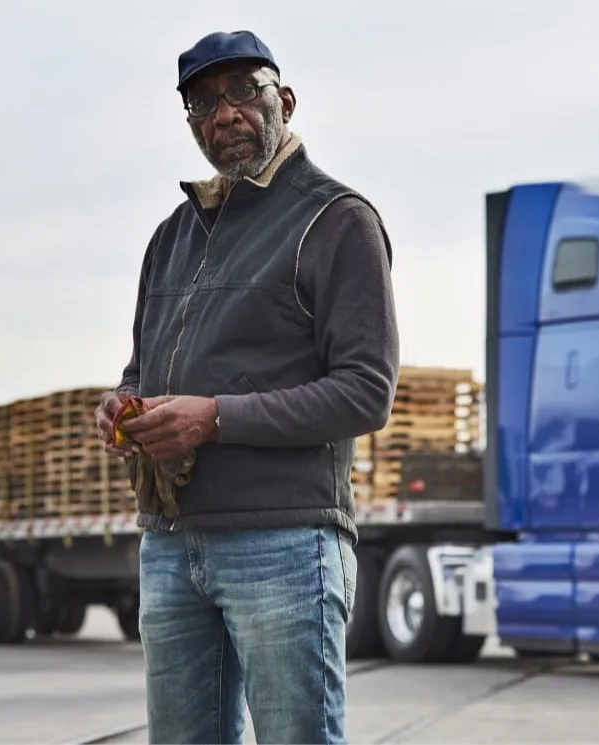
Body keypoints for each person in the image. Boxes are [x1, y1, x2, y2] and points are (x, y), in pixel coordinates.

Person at [93, 29, 399, 745]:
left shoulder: (336, 220)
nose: (224, 112)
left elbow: (365, 392)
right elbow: (142, 366)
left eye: (242, 92)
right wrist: (122, 401)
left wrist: (213, 420)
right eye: (203, 100)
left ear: (283, 100)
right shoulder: (173, 233)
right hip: (171, 541)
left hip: (284, 542)